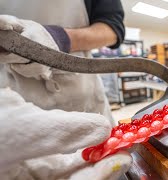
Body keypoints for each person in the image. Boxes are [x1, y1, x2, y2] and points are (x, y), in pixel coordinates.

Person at [0, 0, 132, 179]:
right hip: (12, 110)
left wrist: (60, 37)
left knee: (109, 159)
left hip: (82, 95)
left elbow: (113, 27)